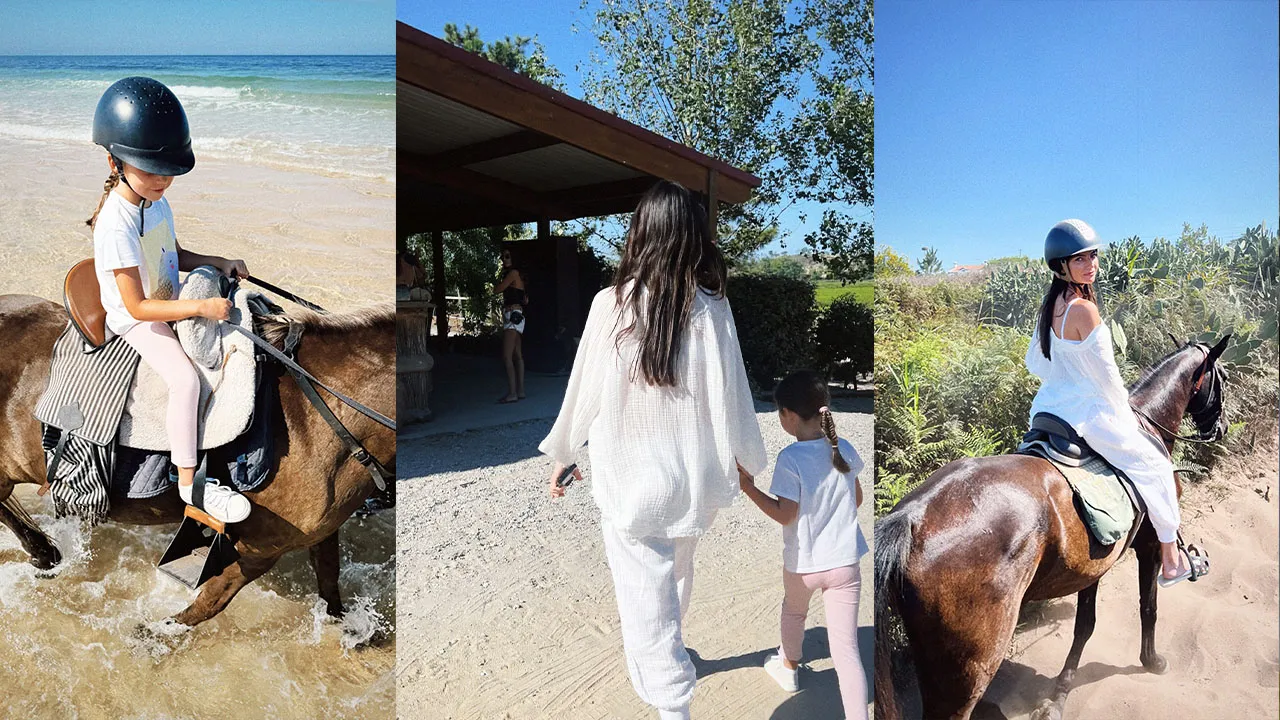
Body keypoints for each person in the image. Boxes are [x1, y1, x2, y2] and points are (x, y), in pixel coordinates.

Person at [540, 180, 767, 720]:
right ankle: (664, 665)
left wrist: (565, 452)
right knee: (674, 579)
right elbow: (734, 389)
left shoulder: (610, 303)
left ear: (641, 232)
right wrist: (746, 459)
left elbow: (584, 390)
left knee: (646, 594)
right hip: (693, 476)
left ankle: (672, 702)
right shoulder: (713, 307)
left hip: (630, 479)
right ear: (693, 237)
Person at [87, 77, 251, 524]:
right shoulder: (115, 224)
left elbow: (172, 255)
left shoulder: (155, 202)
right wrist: (199, 307)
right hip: (137, 319)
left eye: (169, 171)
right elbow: (138, 308)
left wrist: (217, 261)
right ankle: (188, 483)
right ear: (115, 161)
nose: (163, 179)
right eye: (152, 169)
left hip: (166, 293)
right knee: (186, 379)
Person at [1024, 219, 1193, 585]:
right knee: (1157, 467)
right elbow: (1109, 377)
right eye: (1080, 259)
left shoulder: (1050, 304)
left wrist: (1068, 375)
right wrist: (1123, 413)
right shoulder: (1083, 309)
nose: (1091, 264)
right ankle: (1171, 559)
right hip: (1088, 413)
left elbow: (1034, 362)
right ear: (1061, 266)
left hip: (1050, 408)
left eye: (1093, 255)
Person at [738, 370, 868, 719]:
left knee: (794, 612)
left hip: (805, 564)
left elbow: (786, 515)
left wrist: (748, 487)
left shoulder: (790, 459)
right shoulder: (845, 450)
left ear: (789, 416)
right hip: (845, 564)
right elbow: (855, 500)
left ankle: (790, 667)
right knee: (847, 650)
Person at [494, 246, 526, 403]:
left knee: (507, 357)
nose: (503, 259)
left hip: (511, 315)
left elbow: (498, 289)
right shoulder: (520, 276)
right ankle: (520, 391)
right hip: (518, 315)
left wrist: (498, 281)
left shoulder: (513, 274)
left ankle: (512, 393)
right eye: (502, 257)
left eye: (507, 256)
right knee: (518, 355)